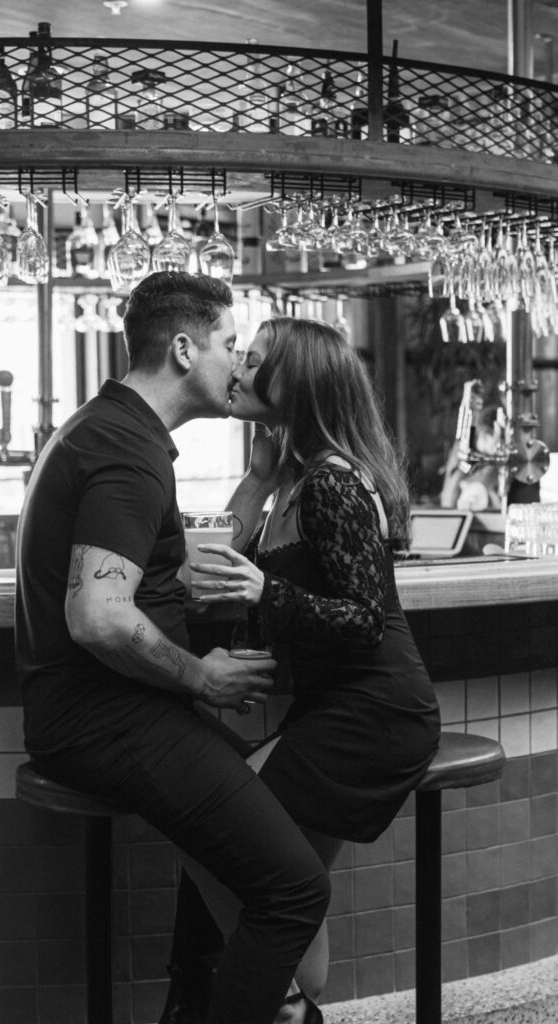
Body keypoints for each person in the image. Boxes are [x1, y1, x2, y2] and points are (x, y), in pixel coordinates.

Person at [14, 274, 332, 1024]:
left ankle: (197, 1003)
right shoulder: (126, 450)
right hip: (105, 718)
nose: (237, 365)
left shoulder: (110, 428)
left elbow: (174, 569)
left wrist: (256, 484)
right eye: (229, 345)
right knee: (294, 890)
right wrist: (202, 677)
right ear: (185, 349)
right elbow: (97, 615)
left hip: (106, 711)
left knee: (236, 843)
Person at [162, 316, 441, 1022]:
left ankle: (279, 1005)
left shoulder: (330, 488)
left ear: (297, 382)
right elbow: (216, 565)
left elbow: (364, 619)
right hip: (332, 711)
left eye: (255, 362)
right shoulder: (290, 480)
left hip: (374, 715)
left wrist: (268, 592)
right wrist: (257, 476)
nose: (239, 372)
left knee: (222, 839)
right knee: (283, 880)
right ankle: (266, 1003)